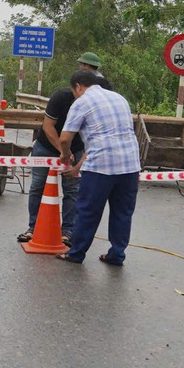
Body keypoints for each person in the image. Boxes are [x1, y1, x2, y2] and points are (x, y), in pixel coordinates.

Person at [55, 69, 142, 266]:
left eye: (74, 91)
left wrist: (65, 153)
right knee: (123, 212)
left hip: (101, 167)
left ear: (78, 86)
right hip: (130, 164)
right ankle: (117, 255)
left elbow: (65, 138)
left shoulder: (82, 102)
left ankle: (76, 253)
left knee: (88, 211)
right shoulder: (119, 98)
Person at [16, 79, 82, 244]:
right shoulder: (61, 97)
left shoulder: (92, 104)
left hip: (76, 148)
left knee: (72, 190)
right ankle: (34, 227)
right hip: (47, 147)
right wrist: (63, 151)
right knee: (38, 185)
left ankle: (68, 231)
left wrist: (71, 154)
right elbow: (48, 126)